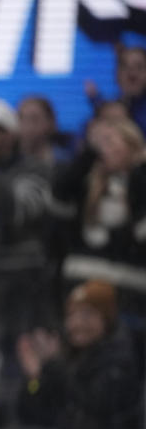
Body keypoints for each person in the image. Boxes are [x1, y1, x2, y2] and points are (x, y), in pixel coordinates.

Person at [0, 96, 59, 389]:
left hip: (22, 292)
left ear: (9, 134)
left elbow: (16, 208)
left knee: (14, 373)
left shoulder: (35, 170)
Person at [12, 280, 143, 429]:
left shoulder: (121, 360)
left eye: (87, 315)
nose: (76, 323)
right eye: (71, 315)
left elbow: (93, 407)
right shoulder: (69, 358)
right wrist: (36, 377)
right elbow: (33, 415)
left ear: (106, 319)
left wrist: (52, 368)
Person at [50, 116, 146, 323]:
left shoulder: (140, 183)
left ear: (131, 144)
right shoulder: (85, 185)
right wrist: (88, 155)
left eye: (110, 141)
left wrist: (138, 174)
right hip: (82, 289)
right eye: (98, 143)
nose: (103, 148)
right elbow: (59, 200)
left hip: (130, 295)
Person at [85, 45, 146, 135]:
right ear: (116, 74)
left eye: (139, 67)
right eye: (125, 67)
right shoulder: (106, 111)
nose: (132, 74)